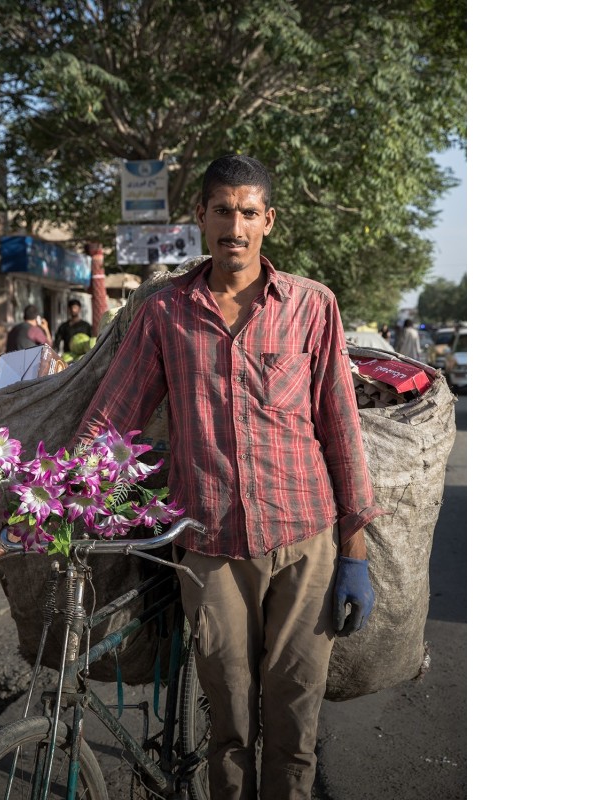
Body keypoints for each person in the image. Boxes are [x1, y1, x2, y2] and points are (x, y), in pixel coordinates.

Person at [73, 154, 385, 800]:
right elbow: (115, 415)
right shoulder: (164, 315)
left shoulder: (311, 307)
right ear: (201, 217)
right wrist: (62, 491)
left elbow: (341, 428)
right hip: (210, 549)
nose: (234, 227)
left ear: (268, 221)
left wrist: (355, 543)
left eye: (248, 213)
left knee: (294, 727)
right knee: (231, 728)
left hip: (304, 544)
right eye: (222, 211)